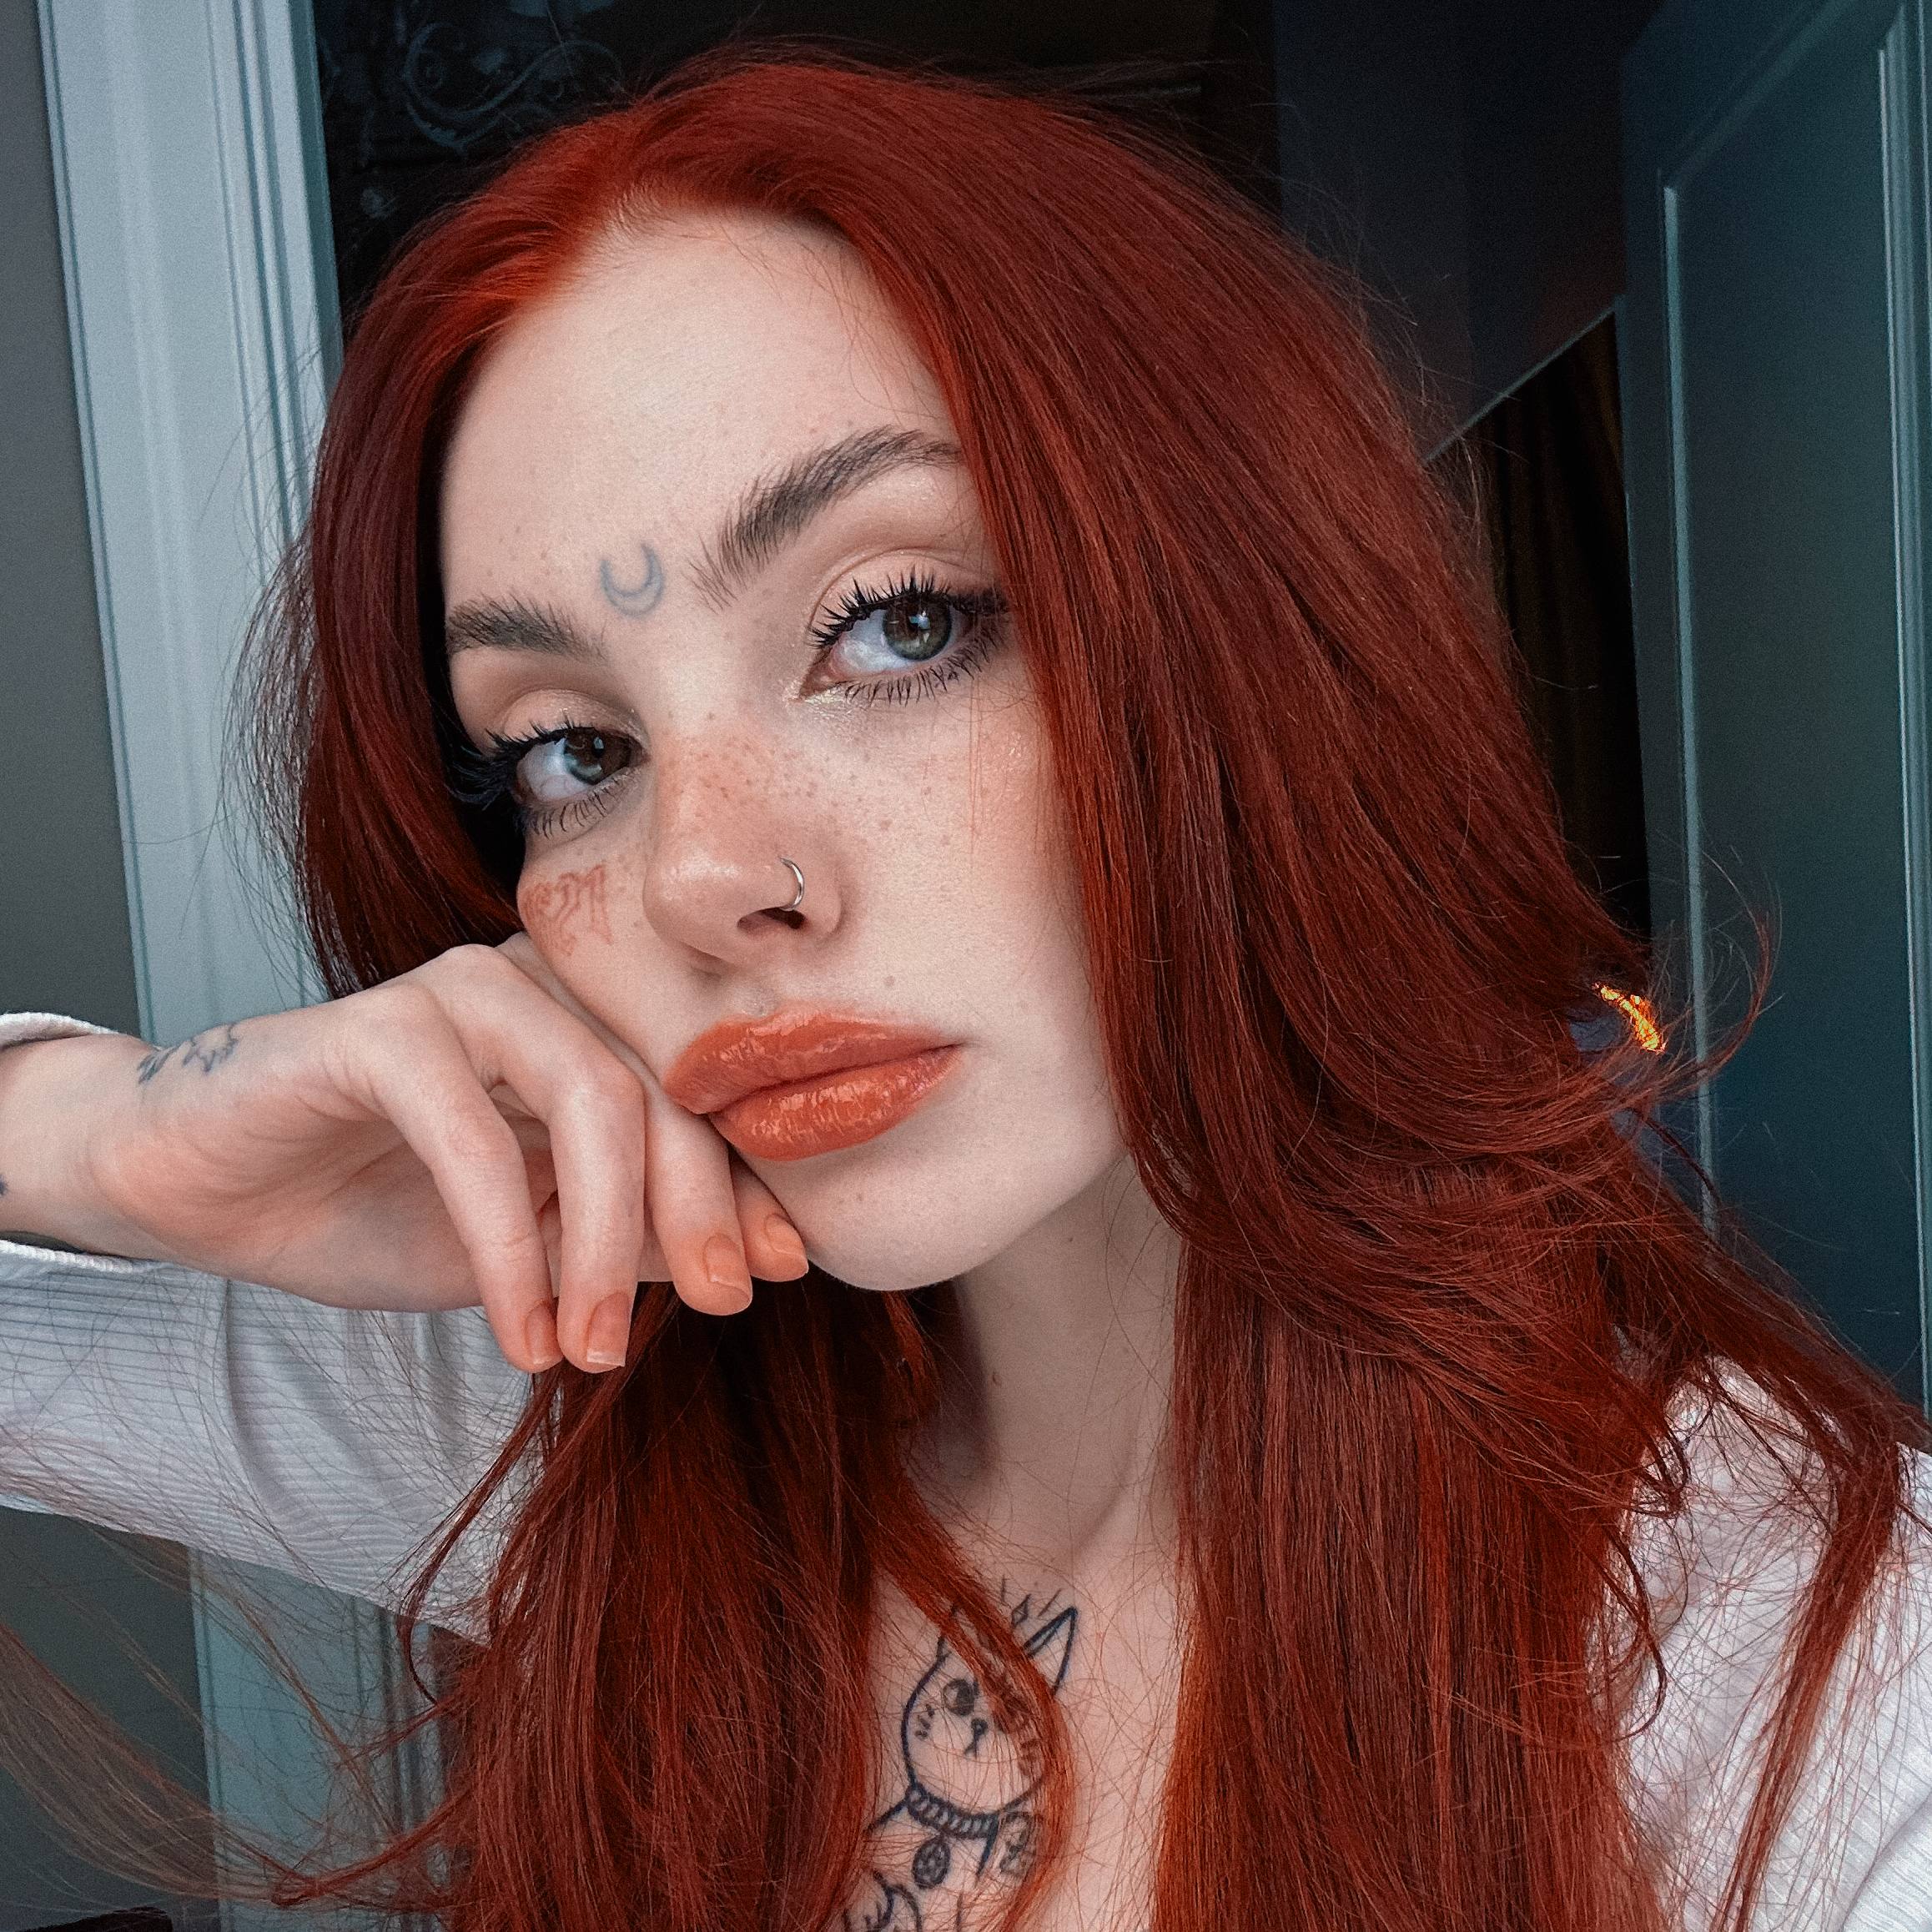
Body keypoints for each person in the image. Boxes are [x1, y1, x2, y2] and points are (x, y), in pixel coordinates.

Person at [0, 48, 1927, 1932]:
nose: (703, 881)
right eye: (575, 750)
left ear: (1259, 639)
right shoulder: (591, 1426)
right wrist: (94, 1137)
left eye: (898, 623)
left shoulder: (1812, 1679)